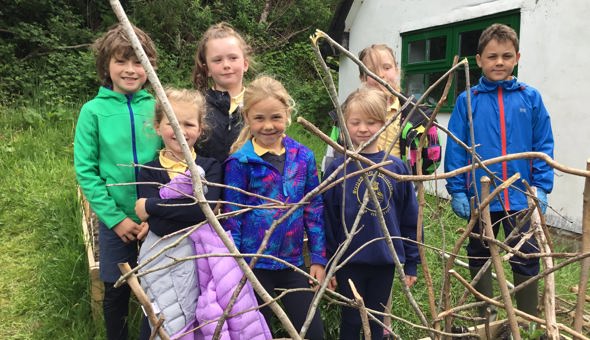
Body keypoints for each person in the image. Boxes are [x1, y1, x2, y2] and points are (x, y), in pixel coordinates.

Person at [134, 88, 271, 339]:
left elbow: (202, 211)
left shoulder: (209, 167)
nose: (181, 130)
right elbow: (160, 227)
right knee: (158, 318)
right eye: (172, 123)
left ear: (200, 129)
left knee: (202, 318)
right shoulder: (147, 171)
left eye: (188, 124)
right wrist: (175, 211)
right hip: (161, 260)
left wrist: (149, 206)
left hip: (202, 260)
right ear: (157, 126)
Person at [444, 23, 554, 319]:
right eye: (492, 56)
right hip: (481, 198)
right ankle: (486, 318)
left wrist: (541, 186)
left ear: (517, 57)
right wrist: (457, 189)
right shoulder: (468, 100)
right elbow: (456, 147)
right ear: (479, 59)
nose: (499, 62)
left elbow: (543, 144)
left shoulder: (530, 98)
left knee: (526, 256)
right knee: (480, 255)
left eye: (506, 56)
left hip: (520, 197)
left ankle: (527, 321)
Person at [222, 76, 327, 340]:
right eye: (259, 118)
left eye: (276, 118)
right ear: (247, 117)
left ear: (287, 115)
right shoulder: (240, 162)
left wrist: (317, 258)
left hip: (292, 264)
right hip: (254, 266)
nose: (268, 126)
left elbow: (313, 209)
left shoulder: (303, 156)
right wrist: (237, 265)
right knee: (256, 334)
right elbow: (232, 217)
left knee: (312, 332)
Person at [73, 23, 160, 339]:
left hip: (156, 219)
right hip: (115, 222)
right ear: (106, 66)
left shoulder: (156, 107)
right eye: (121, 61)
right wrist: (116, 219)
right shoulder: (93, 112)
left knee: (158, 286)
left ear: (149, 66)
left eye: (138, 61)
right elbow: (86, 172)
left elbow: (171, 163)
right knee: (116, 290)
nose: (130, 70)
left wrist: (159, 211)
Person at [323, 87, 420, 340]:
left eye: (371, 122)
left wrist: (411, 262)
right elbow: (329, 220)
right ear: (345, 123)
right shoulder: (338, 169)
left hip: (384, 261)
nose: (363, 128)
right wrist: (330, 264)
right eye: (355, 122)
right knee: (352, 319)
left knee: (377, 321)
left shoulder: (395, 167)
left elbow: (409, 218)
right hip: (348, 262)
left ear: (385, 123)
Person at [322, 44, 441, 176]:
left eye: (387, 67)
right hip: (355, 186)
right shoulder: (346, 114)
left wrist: (410, 177)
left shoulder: (418, 115)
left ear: (397, 70)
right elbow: (331, 158)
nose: (380, 75)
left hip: (400, 188)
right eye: (372, 70)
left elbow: (433, 159)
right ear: (363, 77)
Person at [192, 22, 252, 163]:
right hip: (206, 183)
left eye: (233, 58)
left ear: (245, 64)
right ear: (207, 69)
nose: (226, 65)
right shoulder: (196, 107)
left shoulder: (257, 105)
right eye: (217, 60)